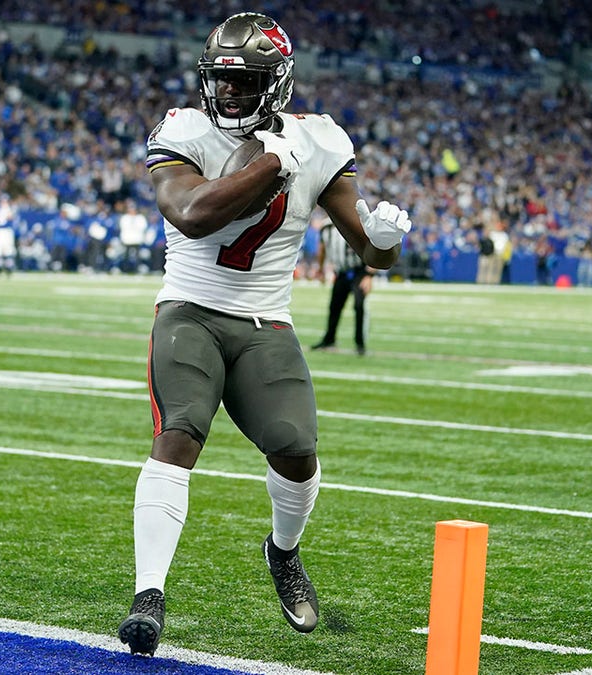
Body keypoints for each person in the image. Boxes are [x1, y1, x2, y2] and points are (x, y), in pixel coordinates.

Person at [119, 12, 409, 656]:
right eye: (219, 81)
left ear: (276, 84)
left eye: (243, 83)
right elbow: (192, 215)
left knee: (297, 451)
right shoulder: (182, 129)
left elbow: (367, 249)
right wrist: (275, 161)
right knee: (179, 433)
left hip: (264, 323)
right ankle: (148, 596)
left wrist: (385, 244)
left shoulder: (322, 141)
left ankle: (283, 552)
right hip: (189, 310)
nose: (226, 95)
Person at [311, 220, 373, 356]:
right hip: (341, 272)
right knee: (334, 306)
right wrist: (320, 269)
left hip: (359, 272)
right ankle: (329, 339)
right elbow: (322, 248)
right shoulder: (325, 228)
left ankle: (360, 344)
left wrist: (369, 274)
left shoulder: (356, 222)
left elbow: (373, 246)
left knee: (359, 305)